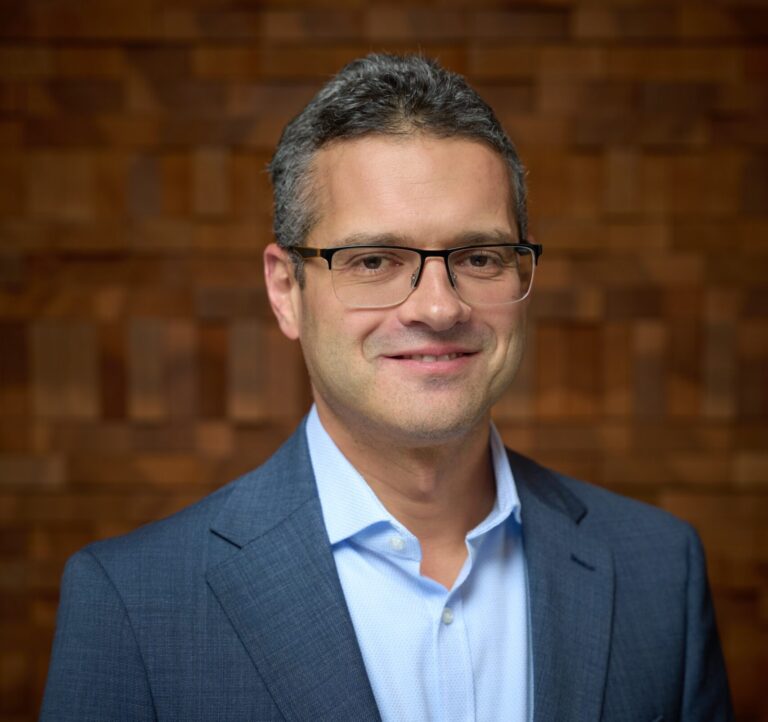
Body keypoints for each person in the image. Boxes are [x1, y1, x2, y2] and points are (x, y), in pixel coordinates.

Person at [40, 54, 732, 721]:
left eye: (481, 256)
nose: (438, 308)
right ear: (286, 291)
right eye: (374, 260)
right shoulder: (134, 603)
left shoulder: (658, 572)